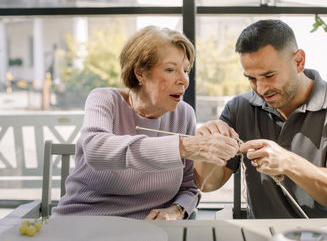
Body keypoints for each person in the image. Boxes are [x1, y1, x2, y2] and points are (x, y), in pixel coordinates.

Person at [52, 26, 238, 220]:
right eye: (170, 69)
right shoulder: (105, 99)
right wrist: (184, 146)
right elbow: (96, 149)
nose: (184, 80)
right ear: (140, 72)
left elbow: (189, 187)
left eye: (186, 70)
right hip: (82, 223)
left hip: (151, 231)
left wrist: (176, 211)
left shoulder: (184, 114)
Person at [194, 19, 327, 218]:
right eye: (251, 79)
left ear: (299, 62)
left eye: (269, 76)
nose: (261, 89)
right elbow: (207, 184)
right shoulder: (239, 108)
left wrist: (289, 163)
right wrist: (205, 150)